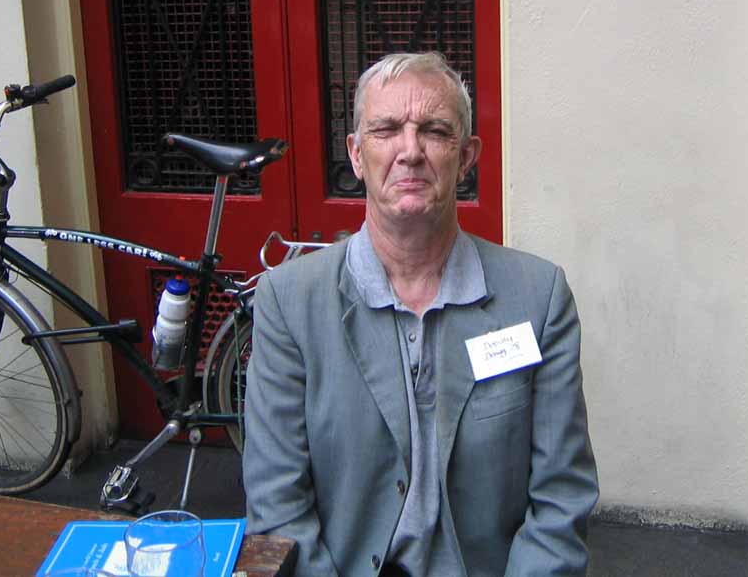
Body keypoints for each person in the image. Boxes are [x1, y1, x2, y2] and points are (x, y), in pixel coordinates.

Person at [242, 52, 598, 576]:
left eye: (434, 131)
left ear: (466, 156)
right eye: (386, 130)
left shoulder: (537, 299)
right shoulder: (289, 303)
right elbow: (278, 507)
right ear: (356, 154)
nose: (410, 151)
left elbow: (561, 499)